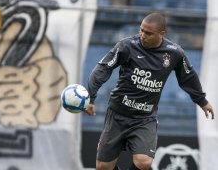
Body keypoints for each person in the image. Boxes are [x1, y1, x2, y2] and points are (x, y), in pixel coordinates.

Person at [85, 12, 215, 170]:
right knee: (103, 167)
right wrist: (90, 97)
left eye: (148, 33)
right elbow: (103, 69)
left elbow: (188, 77)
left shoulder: (174, 53)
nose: (142, 35)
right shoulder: (127, 46)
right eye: (141, 30)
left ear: (162, 34)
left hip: (145, 118)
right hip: (118, 114)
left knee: (144, 162)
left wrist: (202, 101)